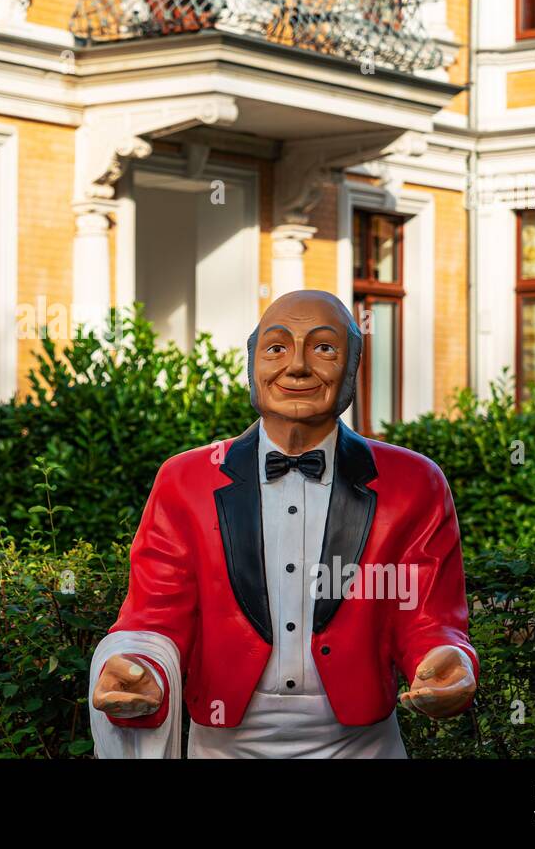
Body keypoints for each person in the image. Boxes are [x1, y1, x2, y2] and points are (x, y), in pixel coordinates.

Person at [89, 289, 477, 758]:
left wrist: (446, 661)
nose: (296, 366)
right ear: (252, 364)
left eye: (323, 348)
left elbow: (428, 616)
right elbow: (156, 614)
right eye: (276, 347)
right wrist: (140, 667)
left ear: (352, 367)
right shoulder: (183, 480)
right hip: (224, 745)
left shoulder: (414, 482)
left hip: (360, 746)